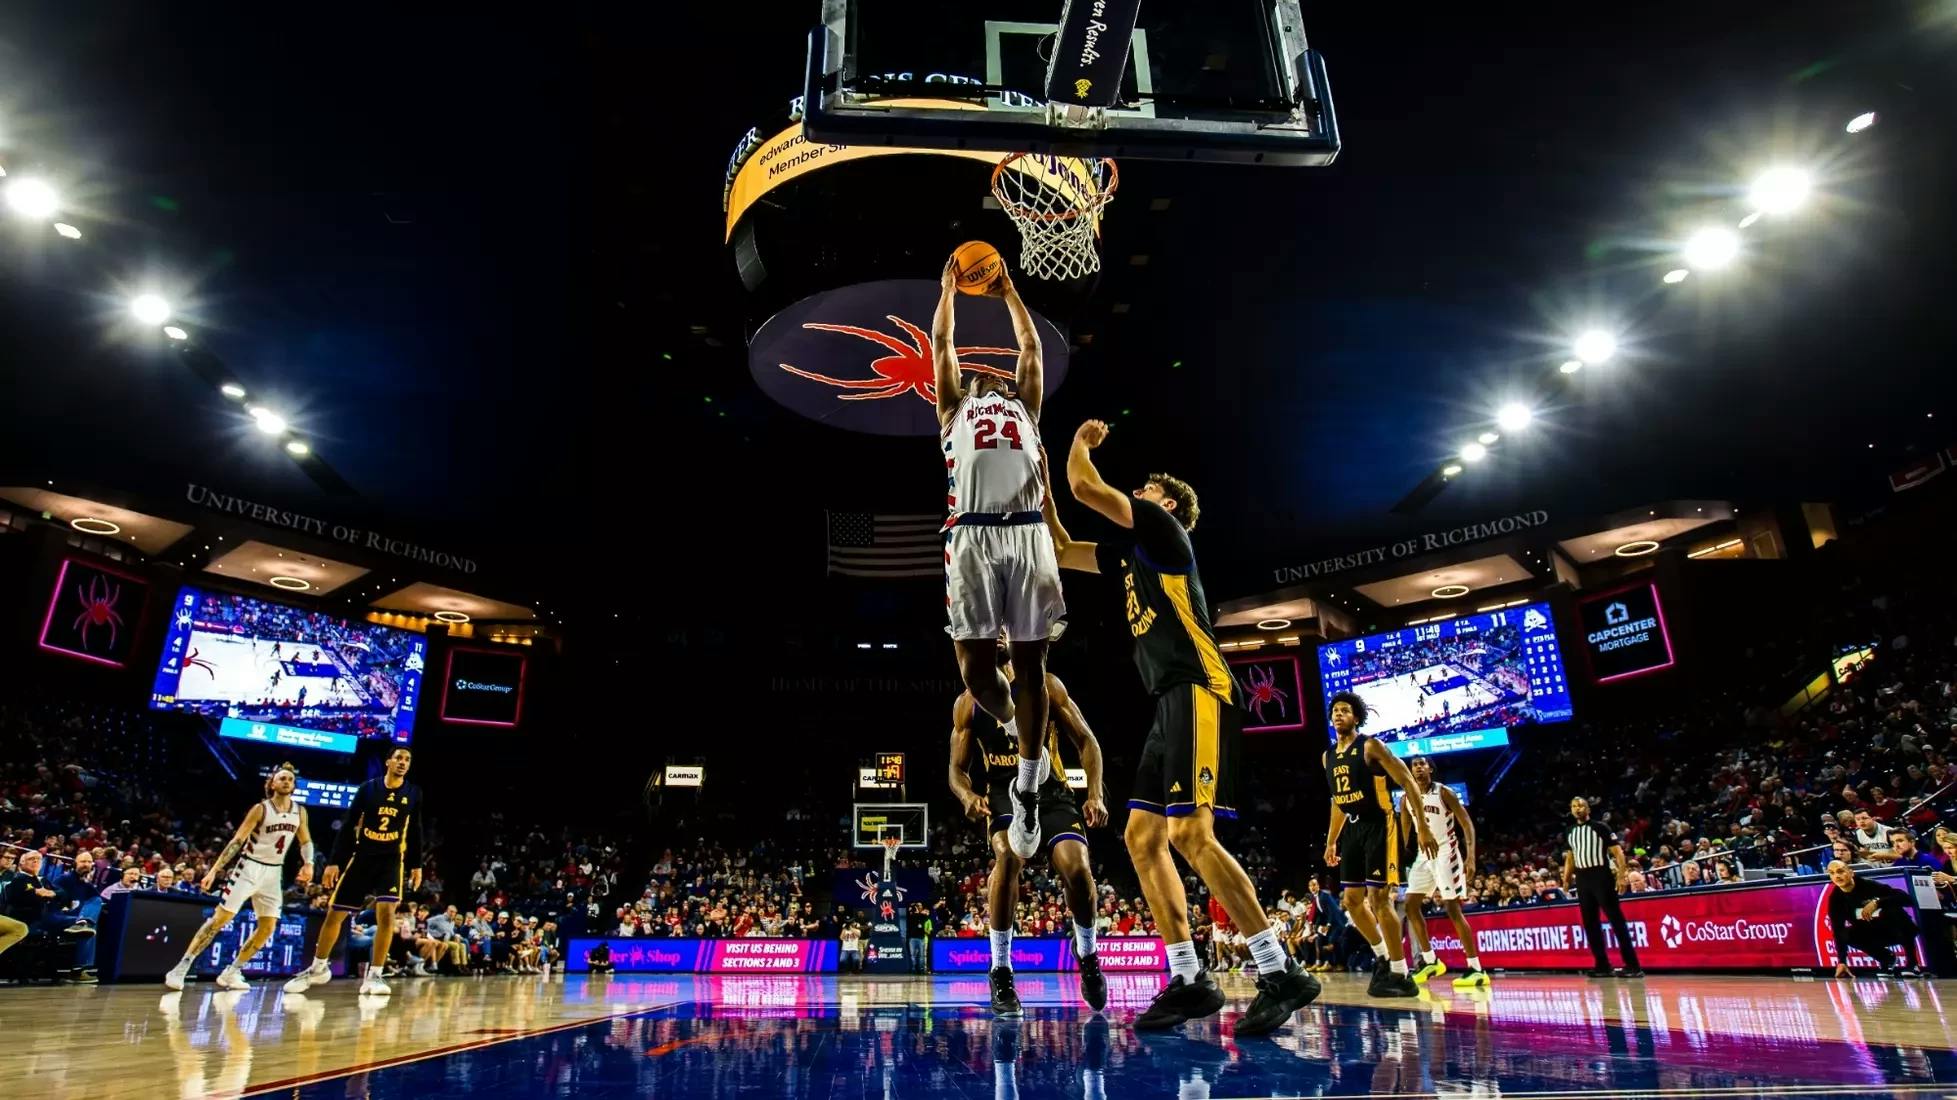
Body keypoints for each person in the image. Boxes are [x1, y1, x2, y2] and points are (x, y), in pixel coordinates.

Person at [1041, 419, 1319, 1036]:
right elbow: (1061, 547)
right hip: (1169, 700)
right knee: (1142, 839)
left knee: (1191, 834)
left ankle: (1280, 971)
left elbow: (1087, 490)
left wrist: (1078, 445)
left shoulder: (1166, 533)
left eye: (1145, 488)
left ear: (1167, 505)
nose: (1137, 492)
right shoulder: (1129, 557)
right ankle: (1190, 978)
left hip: (1199, 688)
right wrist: (1033, 477)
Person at [931, 252, 1063, 861]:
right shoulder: (953, 410)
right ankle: (1014, 726)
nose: (993, 375)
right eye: (979, 375)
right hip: (971, 535)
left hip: (1028, 532)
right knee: (974, 671)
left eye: (1002, 375)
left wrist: (1010, 293)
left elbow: (1032, 349)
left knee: (1033, 664)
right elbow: (941, 342)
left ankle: (1030, 783)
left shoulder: (1025, 408)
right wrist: (949, 292)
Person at [948, 638, 1111, 1015]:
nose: (1002, 635)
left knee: (1079, 870)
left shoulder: (1047, 685)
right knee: (1006, 858)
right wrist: (967, 796)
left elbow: (1088, 741)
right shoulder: (968, 703)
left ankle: (1086, 954)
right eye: (995, 630)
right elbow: (956, 770)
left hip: (1051, 790)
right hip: (1003, 795)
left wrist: (1096, 794)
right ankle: (1001, 970)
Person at [284, 747, 424, 996]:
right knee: (335, 913)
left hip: (391, 859)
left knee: (387, 913)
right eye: (399, 758)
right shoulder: (368, 789)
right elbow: (349, 824)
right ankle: (317, 968)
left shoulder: (413, 793)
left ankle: (375, 975)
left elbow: (415, 831)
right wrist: (334, 861)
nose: (403, 762)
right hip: (362, 857)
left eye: (407, 759)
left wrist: (416, 864)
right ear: (388, 761)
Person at [1323, 693, 1438, 997]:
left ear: (1356, 718)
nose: (1339, 715)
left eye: (1345, 711)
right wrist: (1331, 840)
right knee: (1350, 901)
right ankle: (1384, 957)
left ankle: (1400, 972)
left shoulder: (1371, 746)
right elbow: (1337, 801)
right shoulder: (1328, 756)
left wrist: (1422, 826)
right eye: (1335, 711)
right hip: (1351, 831)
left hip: (1379, 825)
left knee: (1380, 898)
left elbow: (1408, 782)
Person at [165, 762, 314, 991]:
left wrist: (309, 863)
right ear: (272, 783)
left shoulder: (299, 812)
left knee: (268, 927)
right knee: (220, 919)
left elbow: (305, 841)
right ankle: (182, 967)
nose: (286, 781)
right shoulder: (261, 809)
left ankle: (232, 971)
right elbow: (237, 841)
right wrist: (214, 870)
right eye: (282, 778)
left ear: (294, 786)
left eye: (290, 779)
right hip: (248, 868)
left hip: (274, 872)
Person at [1398, 758, 1487, 988]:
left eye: (1421, 764)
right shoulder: (1406, 798)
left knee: (1452, 908)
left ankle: (1476, 968)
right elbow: (1404, 834)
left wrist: (1470, 856)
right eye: (1413, 765)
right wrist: (1396, 859)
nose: (1417, 767)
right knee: (1410, 905)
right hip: (1422, 855)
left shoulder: (1444, 792)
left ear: (1430, 769)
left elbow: (1466, 824)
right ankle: (1431, 961)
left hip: (1446, 851)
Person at [1561, 797, 1643, 978]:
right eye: (1574, 806)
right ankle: (1602, 964)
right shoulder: (1570, 831)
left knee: (1616, 920)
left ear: (1588, 808)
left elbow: (1618, 853)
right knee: (1590, 923)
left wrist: (1622, 876)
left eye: (1581, 805)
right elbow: (1570, 857)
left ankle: (1633, 965)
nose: (1577, 809)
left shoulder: (1600, 827)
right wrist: (1566, 880)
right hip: (1582, 878)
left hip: (1601, 875)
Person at [1826, 860, 1921, 977]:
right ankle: (1886, 958)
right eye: (1832, 873)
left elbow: (1907, 899)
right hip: (1870, 932)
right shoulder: (1835, 899)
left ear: (1851, 873)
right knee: (1846, 934)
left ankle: (1912, 963)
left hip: (1895, 929)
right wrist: (1842, 961)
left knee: (1895, 912)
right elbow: (1837, 929)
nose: (1837, 876)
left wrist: (1877, 902)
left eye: (1840, 871)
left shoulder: (1869, 886)